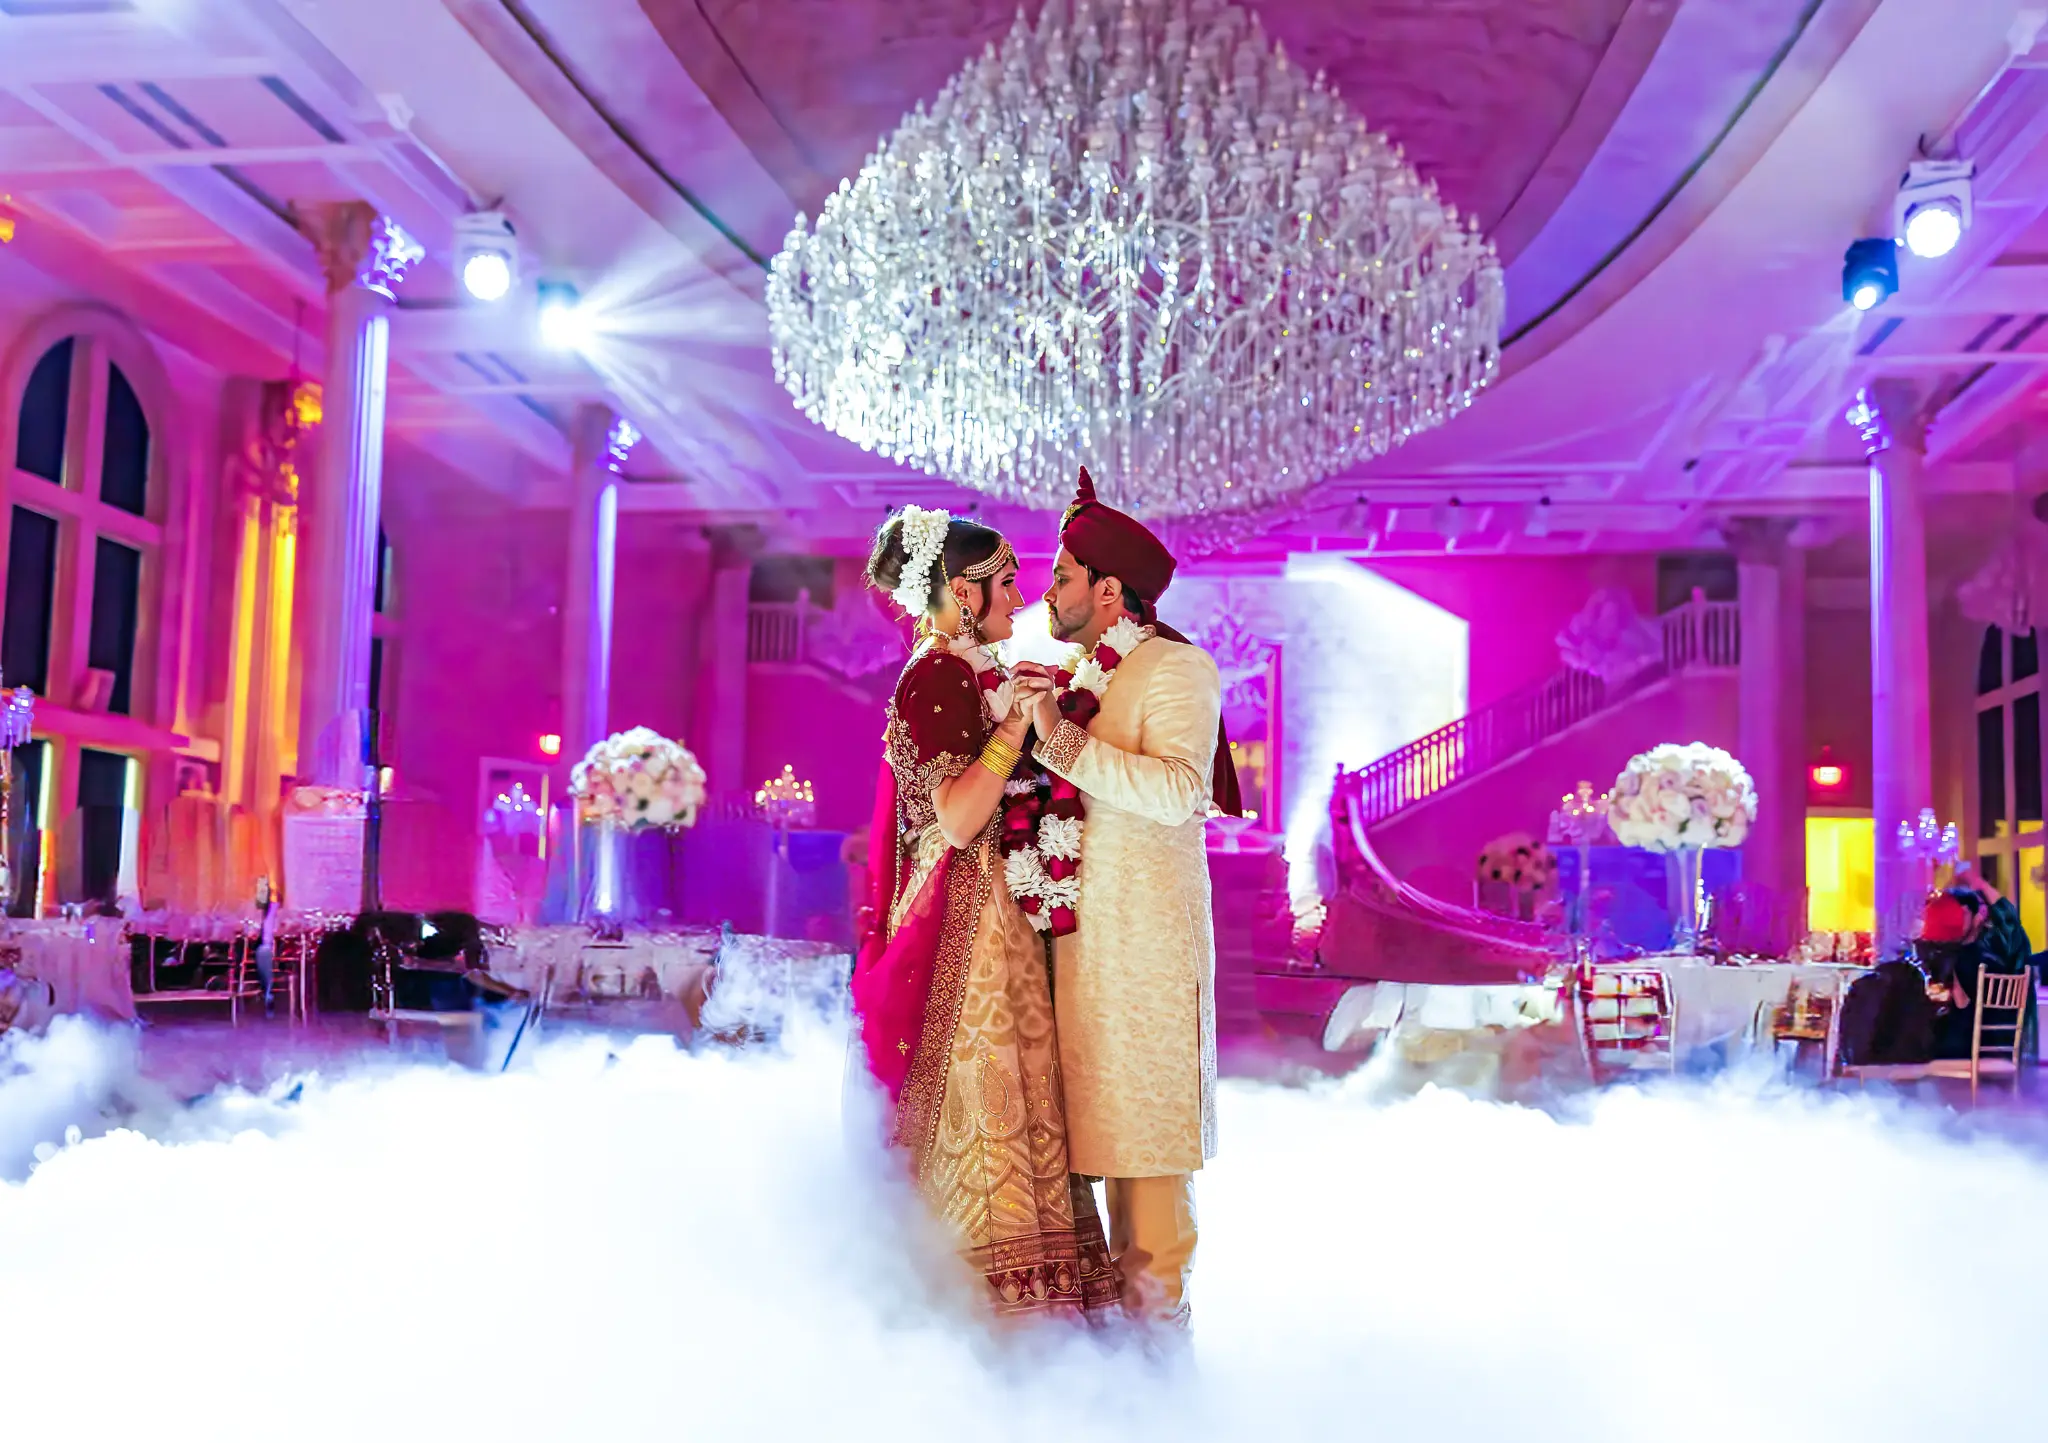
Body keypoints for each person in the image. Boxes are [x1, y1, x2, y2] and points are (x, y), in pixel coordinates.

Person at [847, 505, 1119, 1321]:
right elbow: (959, 820)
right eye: (1005, 583)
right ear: (962, 592)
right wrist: (1012, 729)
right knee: (990, 1109)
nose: (1020, 596)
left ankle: (1038, 1329)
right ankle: (989, 1329)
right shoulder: (936, 675)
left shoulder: (972, 667)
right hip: (965, 939)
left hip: (996, 918)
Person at [1014, 466, 1239, 1331]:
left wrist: (1059, 743)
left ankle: (1165, 1396)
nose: (1048, 592)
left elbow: (1183, 790)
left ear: (1110, 593)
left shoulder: (1177, 667)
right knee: (1088, 1198)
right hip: (1078, 961)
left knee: (1149, 1200)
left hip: (1143, 965)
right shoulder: (1084, 677)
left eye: (1062, 577)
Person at [1916, 870, 2035, 1061]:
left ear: (1978, 917)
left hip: (1967, 1048)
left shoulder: (1974, 957)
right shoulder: (1966, 954)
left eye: (1961, 913)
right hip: (1994, 1046)